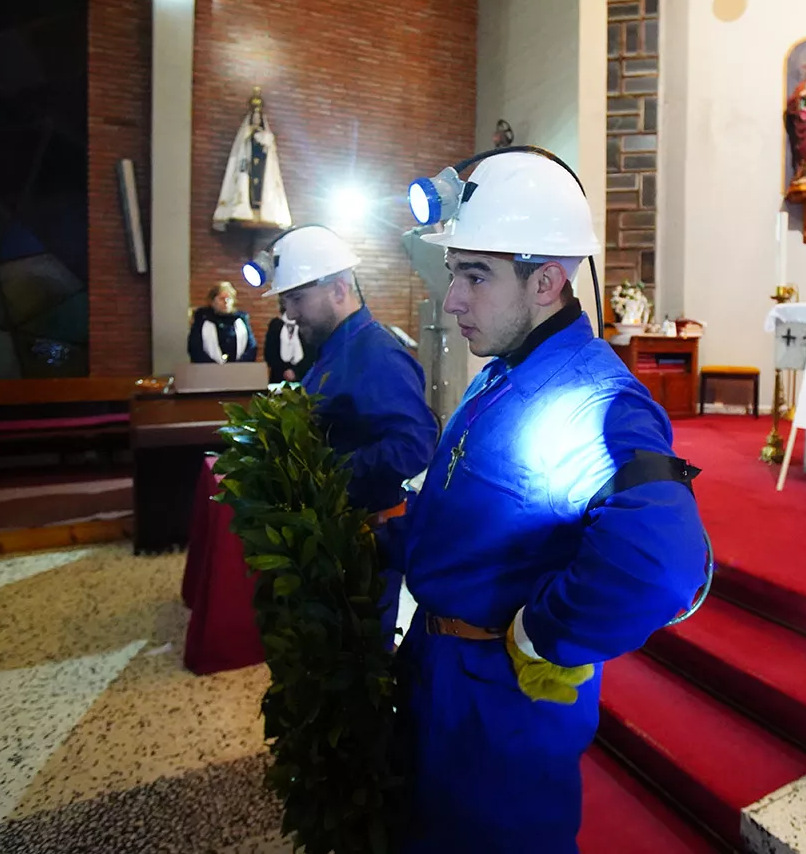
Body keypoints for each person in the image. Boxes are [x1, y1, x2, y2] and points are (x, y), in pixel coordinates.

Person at [389, 151, 708, 853]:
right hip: (443, 683)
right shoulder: (507, 370)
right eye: (455, 273)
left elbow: (666, 561)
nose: (453, 300)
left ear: (547, 281)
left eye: (475, 276)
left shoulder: (595, 397)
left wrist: (542, 634)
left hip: (498, 718)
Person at [257, 224, 438, 621]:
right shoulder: (333, 350)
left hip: (363, 540)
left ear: (338, 289)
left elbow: (415, 445)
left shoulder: (377, 355)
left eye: (297, 298)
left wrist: (323, 473)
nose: (289, 314)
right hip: (335, 536)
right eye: (286, 301)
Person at [187, 281, 257, 364]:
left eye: (229, 298)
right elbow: (195, 348)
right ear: (212, 302)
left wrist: (238, 365)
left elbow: (251, 346)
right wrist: (214, 367)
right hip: (208, 370)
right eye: (221, 298)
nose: (226, 302)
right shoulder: (202, 320)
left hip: (238, 370)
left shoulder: (240, 320)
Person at [263, 295, 316, 383]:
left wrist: (296, 372)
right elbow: (269, 353)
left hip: (303, 376)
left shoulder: (306, 324)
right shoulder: (276, 325)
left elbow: (311, 352)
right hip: (279, 377)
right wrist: (284, 371)